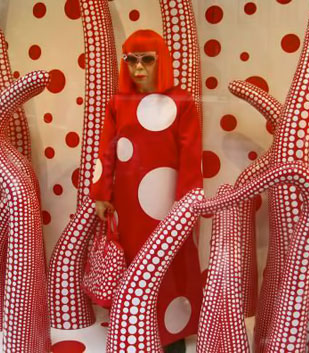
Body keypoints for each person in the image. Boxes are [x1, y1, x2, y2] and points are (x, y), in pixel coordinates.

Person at [90, 29, 203, 353]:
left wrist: (187, 204)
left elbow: (190, 154)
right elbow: (106, 152)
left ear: (160, 61)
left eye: (147, 60)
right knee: (135, 259)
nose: (138, 68)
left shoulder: (181, 101)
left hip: (170, 203)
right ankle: (135, 326)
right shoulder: (117, 103)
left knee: (171, 263)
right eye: (131, 60)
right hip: (128, 201)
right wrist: (101, 194)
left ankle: (171, 330)